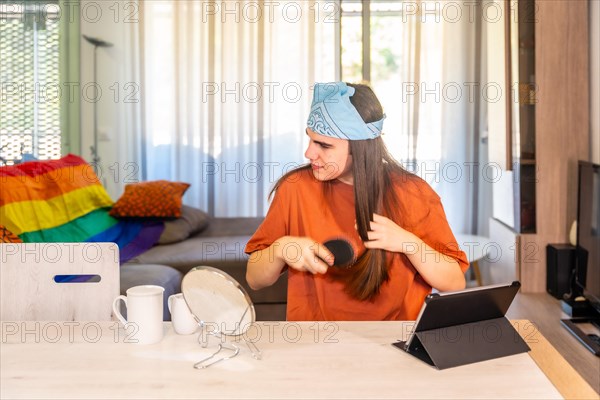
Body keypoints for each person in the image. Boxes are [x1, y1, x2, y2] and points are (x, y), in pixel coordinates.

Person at [245, 81, 469, 321]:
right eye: (310, 139)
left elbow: (454, 283)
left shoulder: (414, 193)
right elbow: (254, 280)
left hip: (394, 343)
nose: (309, 153)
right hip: (313, 343)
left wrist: (408, 243)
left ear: (359, 148)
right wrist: (280, 249)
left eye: (324, 145)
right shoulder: (295, 189)